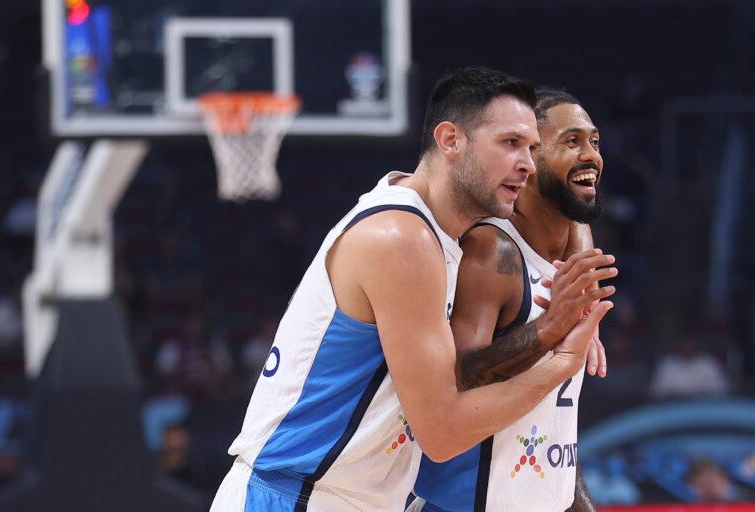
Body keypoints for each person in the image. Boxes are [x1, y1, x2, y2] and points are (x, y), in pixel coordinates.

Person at [210, 68, 614, 512]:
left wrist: (582, 281)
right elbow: (442, 434)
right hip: (295, 494)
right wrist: (562, 357)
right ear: (451, 140)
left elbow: (567, 208)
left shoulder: (435, 224)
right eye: (511, 144)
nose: (529, 165)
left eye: (533, 148)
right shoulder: (402, 238)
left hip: (350, 498)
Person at [412, 89, 612, 511]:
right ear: (529, 160)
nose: (591, 155)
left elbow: (552, 426)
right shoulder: (493, 252)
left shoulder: (571, 263)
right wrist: (549, 330)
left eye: (594, 141)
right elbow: (457, 381)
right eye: (572, 141)